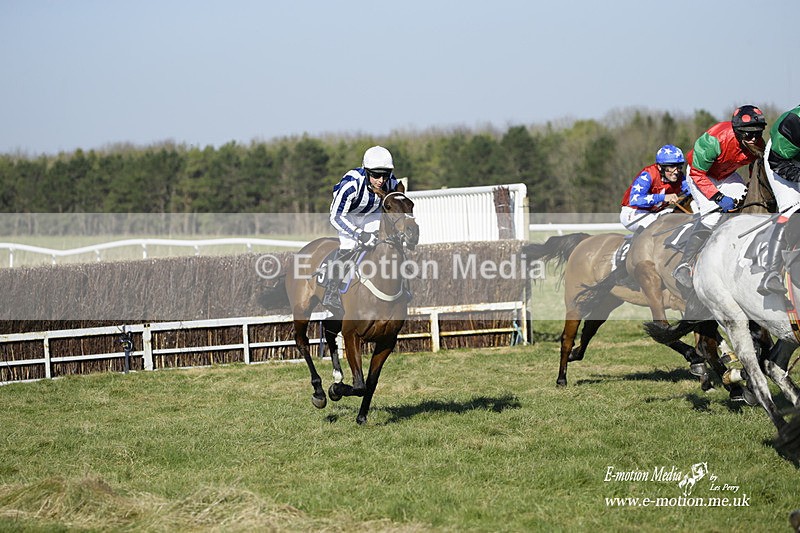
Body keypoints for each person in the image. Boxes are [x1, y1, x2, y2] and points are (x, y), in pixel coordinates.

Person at [672, 105, 767, 290]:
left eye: (757, 133)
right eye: (748, 135)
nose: (754, 138)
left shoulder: (758, 144)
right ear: (738, 132)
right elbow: (699, 174)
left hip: (726, 175)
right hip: (700, 174)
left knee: (746, 205)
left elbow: (754, 169)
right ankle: (684, 264)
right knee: (713, 216)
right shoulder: (714, 140)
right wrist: (717, 197)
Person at [322, 145, 403, 311]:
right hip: (348, 216)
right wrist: (360, 235)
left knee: (388, 244)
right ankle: (332, 291)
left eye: (385, 175)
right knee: (349, 247)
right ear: (367, 171)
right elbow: (336, 217)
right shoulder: (351, 186)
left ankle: (401, 288)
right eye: (376, 175)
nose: (381, 180)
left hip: (372, 215)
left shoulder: (392, 183)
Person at [758, 104, 800, 295]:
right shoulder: (793, 122)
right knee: (793, 209)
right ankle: (771, 273)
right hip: (782, 159)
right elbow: (778, 162)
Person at [620, 144, 688, 232]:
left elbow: (692, 192)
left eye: (678, 167)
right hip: (633, 213)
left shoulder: (680, 178)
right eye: (671, 167)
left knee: (682, 217)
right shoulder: (648, 175)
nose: (676, 172)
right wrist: (664, 197)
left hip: (655, 212)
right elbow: (635, 200)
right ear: (660, 167)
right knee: (657, 224)